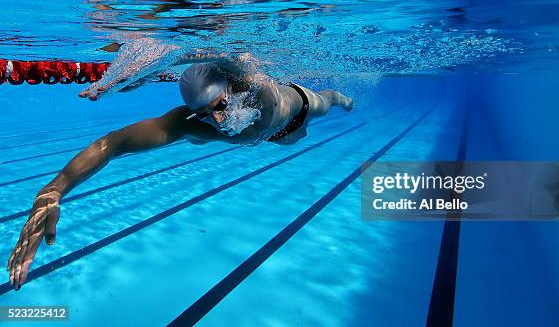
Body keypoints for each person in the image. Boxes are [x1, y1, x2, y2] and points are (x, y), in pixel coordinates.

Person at [5, 51, 353, 290]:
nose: (216, 122)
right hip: (272, 138)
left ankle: (343, 98)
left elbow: (219, 53)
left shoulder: (255, 89)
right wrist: (55, 188)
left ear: (235, 88)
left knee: (328, 102)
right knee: (276, 138)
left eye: (219, 106)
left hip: (298, 110)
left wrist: (158, 59)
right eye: (202, 113)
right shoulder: (192, 124)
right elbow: (115, 143)